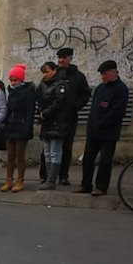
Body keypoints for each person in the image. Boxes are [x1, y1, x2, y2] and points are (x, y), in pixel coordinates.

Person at [76, 60, 130, 196]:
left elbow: (117, 111)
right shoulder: (100, 88)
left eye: (105, 74)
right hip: (94, 130)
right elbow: (94, 109)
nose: (103, 77)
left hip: (108, 132)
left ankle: (101, 187)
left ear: (113, 72)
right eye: (101, 74)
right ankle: (86, 184)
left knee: (105, 161)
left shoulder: (121, 89)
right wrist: (92, 125)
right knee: (88, 159)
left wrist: (103, 123)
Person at [41, 47, 91, 185]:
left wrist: (76, 105)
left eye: (64, 57)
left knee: (66, 147)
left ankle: (63, 176)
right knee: (48, 149)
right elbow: (44, 90)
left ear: (70, 58)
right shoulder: (53, 73)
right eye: (59, 58)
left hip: (68, 117)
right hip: (51, 116)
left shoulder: (77, 76)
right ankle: (45, 176)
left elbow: (86, 93)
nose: (61, 60)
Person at [36, 61, 73, 190]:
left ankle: (51, 180)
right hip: (46, 123)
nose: (44, 75)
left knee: (54, 152)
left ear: (54, 70)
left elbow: (59, 102)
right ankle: (48, 178)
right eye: (43, 73)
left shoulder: (61, 85)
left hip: (57, 122)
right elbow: (39, 98)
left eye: (47, 72)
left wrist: (44, 113)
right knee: (47, 152)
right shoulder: (43, 84)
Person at [1, 64, 36, 192]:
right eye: (11, 80)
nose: (13, 83)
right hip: (10, 126)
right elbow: (8, 110)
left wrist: (27, 128)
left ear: (21, 80)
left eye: (15, 80)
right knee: (10, 155)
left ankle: (20, 180)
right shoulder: (11, 92)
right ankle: (8, 179)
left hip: (21, 127)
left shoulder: (28, 92)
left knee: (19, 155)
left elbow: (29, 112)